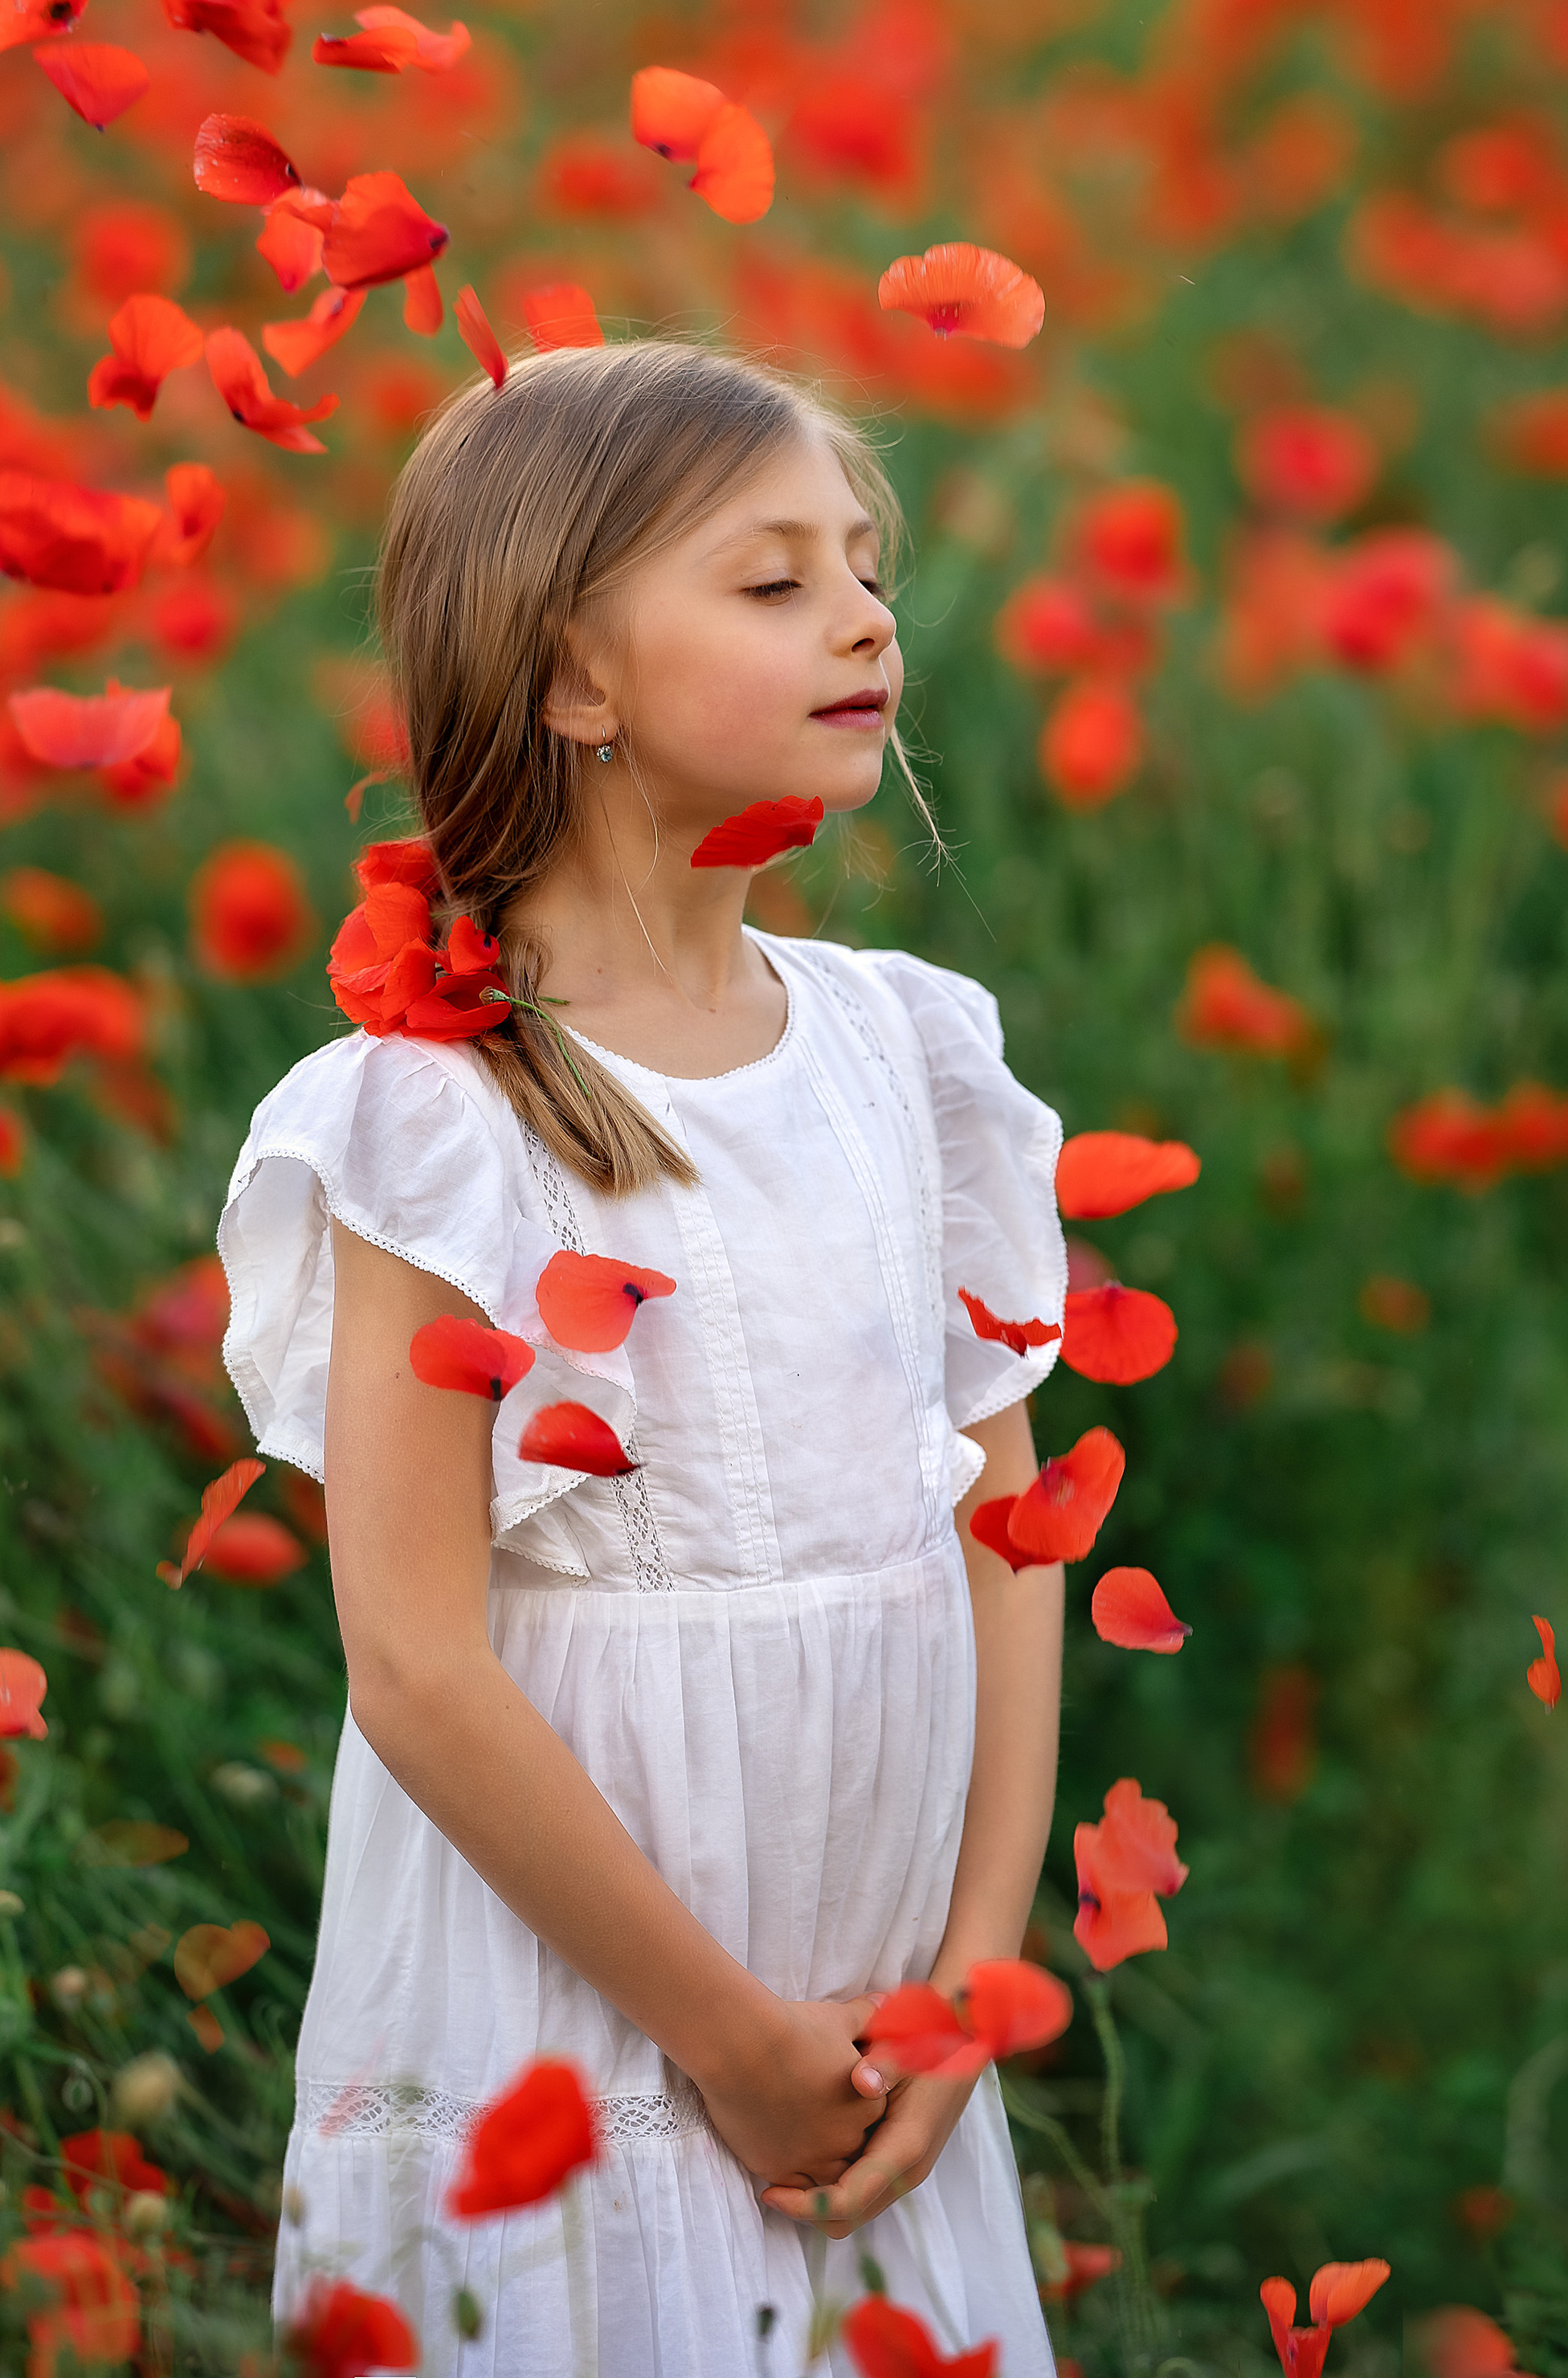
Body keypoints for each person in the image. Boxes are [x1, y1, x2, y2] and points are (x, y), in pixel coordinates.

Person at [219, 342, 1066, 2372]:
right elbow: (416, 1666)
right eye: (771, 580)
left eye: (863, 567)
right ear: (572, 678)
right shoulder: (431, 1120)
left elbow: (1007, 1528)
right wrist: (728, 2042)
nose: (862, 617)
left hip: (880, 2034)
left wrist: (970, 1982)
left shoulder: (905, 1049)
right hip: (575, 2042)